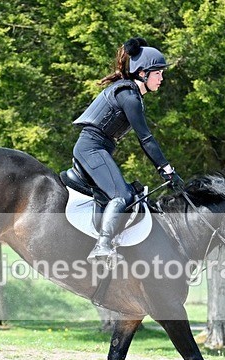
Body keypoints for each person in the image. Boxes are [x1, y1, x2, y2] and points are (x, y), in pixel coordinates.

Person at [72, 37, 184, 263]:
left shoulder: (132, 94)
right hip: (91, 148)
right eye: (158, 73)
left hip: (98, 148)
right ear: (142, 73)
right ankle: (102, 246)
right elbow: (146, 139)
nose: (161, 78)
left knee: (129, 194)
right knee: (122, 196)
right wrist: (167, 170)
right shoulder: (128, 96)